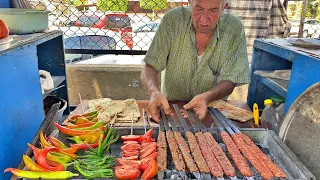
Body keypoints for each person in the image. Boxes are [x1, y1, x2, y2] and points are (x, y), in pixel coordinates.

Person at [141, 0, 250, 122]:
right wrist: (154, 92)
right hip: (171, 109)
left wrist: (207, 96)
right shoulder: (172, 20)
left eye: (213, 10)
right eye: (198, 9)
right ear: (189, 3)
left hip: (212, 111)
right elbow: (150, 66)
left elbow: (231, 79)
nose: (204, 19)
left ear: (224, 8)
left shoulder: (234, 28)